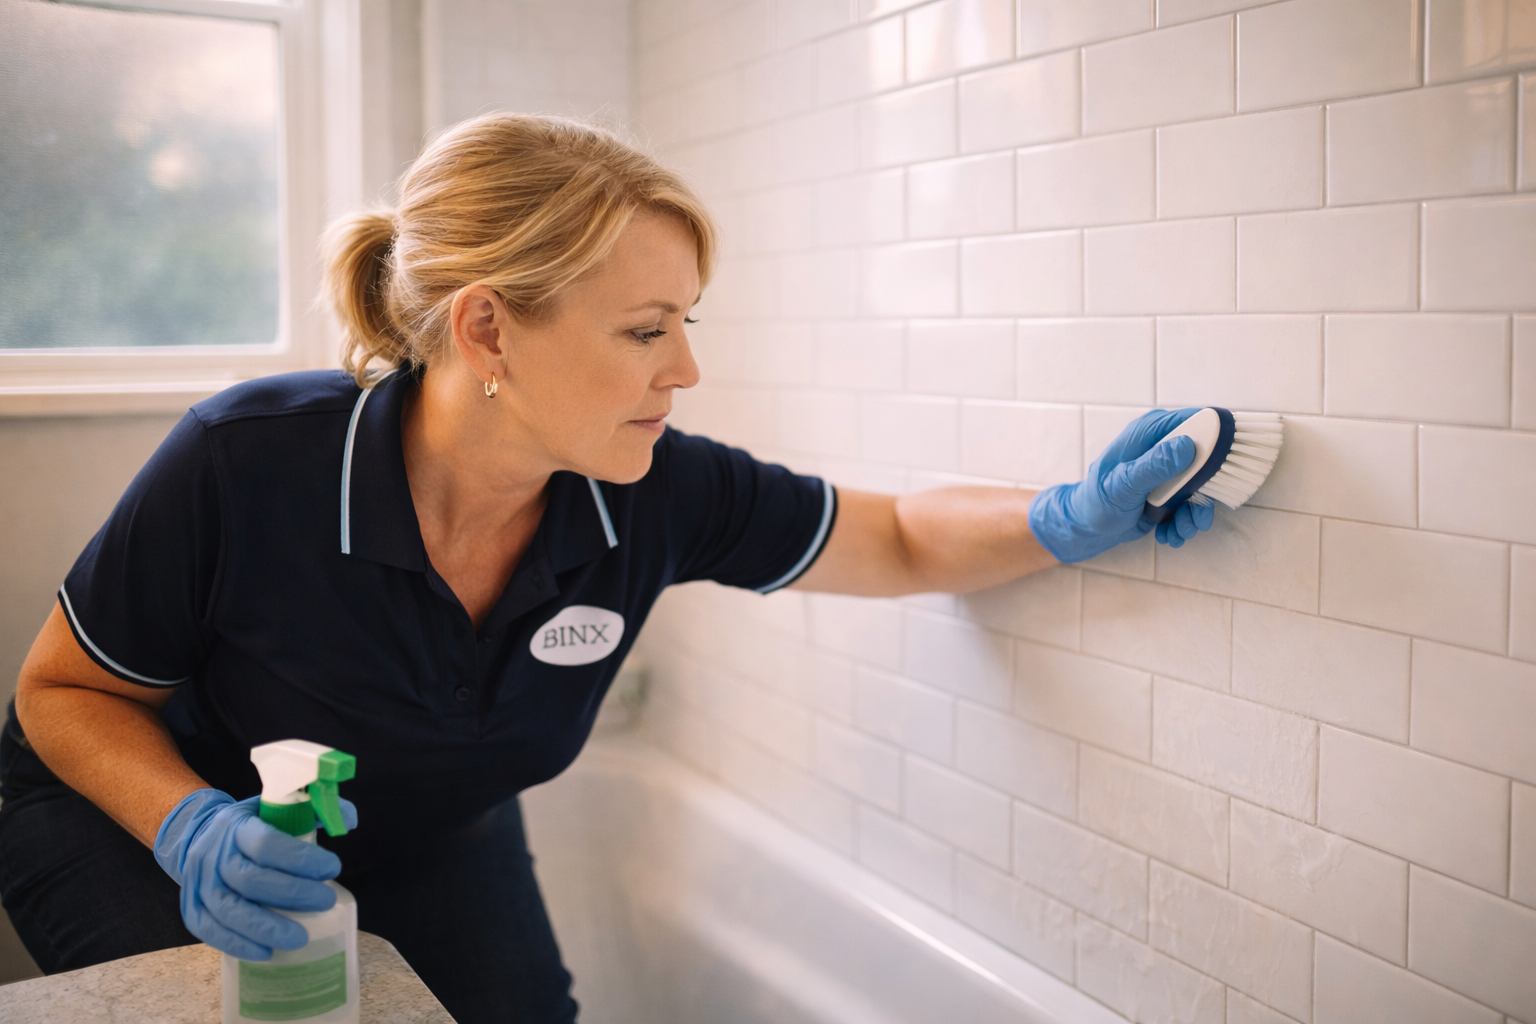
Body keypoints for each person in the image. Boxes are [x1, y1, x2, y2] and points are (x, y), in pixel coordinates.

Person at [0, 113, 1213, 1024]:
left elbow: (889, 535)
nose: (685, 370)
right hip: (140, 820)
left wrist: (1060, 517)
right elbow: (63, 694)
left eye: (689, 321)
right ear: (486, 330)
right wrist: (192, 827)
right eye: (645, 329)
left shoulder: (654, 490)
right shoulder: (247, 461)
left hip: (428, 825)